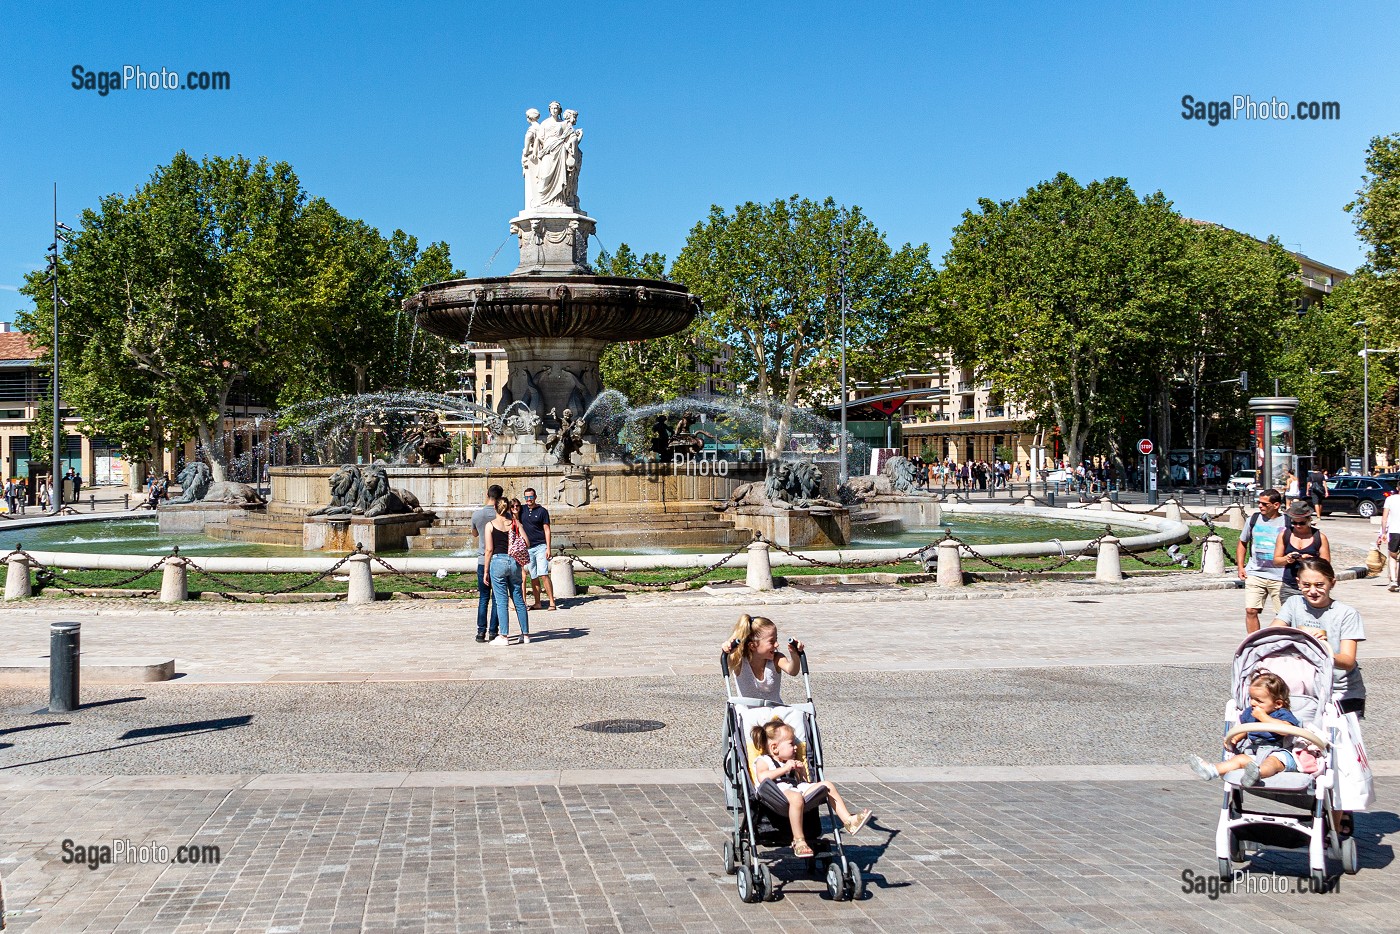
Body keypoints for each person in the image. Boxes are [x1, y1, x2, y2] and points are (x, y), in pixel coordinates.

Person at [750, 718, 872, 858]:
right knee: (796, 797)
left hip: (795, 790)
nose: (796, 747)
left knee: (827, 785)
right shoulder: (763, 760)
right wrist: (785, 768)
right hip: (775, 793)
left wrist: (801, 773)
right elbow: (762, 777)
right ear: (774, 748)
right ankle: (799, 840)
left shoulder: (790, 762)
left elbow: (801, 783)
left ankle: (848, 820)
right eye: (791, 744)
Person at [1271, 556, 1366, 718]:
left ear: (1332, 583)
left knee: (1342, 740)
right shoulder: (1294, 603)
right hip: (1304, 688)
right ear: (1298, 582)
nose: (1313, 591)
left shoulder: (1346, 613)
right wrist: (1296, 637)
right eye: (1306, 585)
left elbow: (1348, 661)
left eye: (1320, 585)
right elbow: (1272, 633)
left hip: (1341, 688)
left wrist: (1320, 650)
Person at [1187, 672, 1301, 786]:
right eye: (1251, 698)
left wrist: (1263, 717)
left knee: (1271, 762)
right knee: (1240, 759)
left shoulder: (1282, 714)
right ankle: (1212, 770)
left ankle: (1258, 773)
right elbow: (1245, 729)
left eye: (1259, 701)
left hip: (1280, 752)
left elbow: (1286, 730)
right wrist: (1235, 738)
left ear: (1278, 704)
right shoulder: (1250, 713)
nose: (1252, 702)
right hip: (1255, 753)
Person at [721, 614, 804, 703]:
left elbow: (793, 671)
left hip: (774, 712)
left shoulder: (777, 659)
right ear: (752, 646)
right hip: (748, 713)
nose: (777, 644)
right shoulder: (740, 662)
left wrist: (794, 654)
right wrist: (727, 648)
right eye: (772, 641)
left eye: (776, 639)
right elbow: (726, 662)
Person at [1236, 489, 1286, 633]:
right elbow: (1242, 542)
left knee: (1283, 615)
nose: (1260, 506)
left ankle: (1279, 643)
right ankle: (1253, 644)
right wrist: (1240, 566)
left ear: (1276, 505)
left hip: (1280, 576)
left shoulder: (1287, 522)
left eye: (1264, 504)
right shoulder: (1253, 519)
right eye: (1259, 503)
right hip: (1255, 573)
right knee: (1251, 610)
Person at [482, 497, 530, 645]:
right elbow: (527, 543)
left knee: (502, 601)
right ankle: (525, 634)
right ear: (508, 508)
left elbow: (489, 549)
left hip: (498, 561)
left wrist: (485, 571)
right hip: (514, 561)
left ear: (495, 508)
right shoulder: (515, 523)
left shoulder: (490, 525)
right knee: (518, 599)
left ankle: (504, 636)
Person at [1273, 503, 1331, 604]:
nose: (1298, 526)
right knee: (1288, 618)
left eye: (1302, 523)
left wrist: (1308, 560)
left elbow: (1326, 565)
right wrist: (1287, 559)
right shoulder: (1284, 535)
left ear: (1309, 520)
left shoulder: (1320, 537)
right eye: (1294, 523)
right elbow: (1276, 561)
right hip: (1289, 586)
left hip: (1312, 588)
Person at [471, 484, 504, 642]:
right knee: (497, 598)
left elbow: (475, 534)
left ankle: (480, 632)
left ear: (487, 495)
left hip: (482, 560)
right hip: (498, 559)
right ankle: (493, 632)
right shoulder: (503, 514)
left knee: (483, 598)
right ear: (501, 497)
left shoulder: (477, 515)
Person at [518, 487, 556, 611]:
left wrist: (548, 548)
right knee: (533, 576)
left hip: (540, 546)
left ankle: (552, 602)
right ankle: (537, 602)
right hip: (528, 549)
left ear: (535, 497)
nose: (529, 499)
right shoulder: (522, 510)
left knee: (543, 574)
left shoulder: (542, 511)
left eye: (531, 497)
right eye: (526, 497)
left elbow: (547, 530)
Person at [1379, 489, 1400, 593]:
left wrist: (1383, 532)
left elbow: (1384, 518)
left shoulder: (1390, 499)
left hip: (1394, 531)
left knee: (1393, 556)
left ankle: (1394, 580)